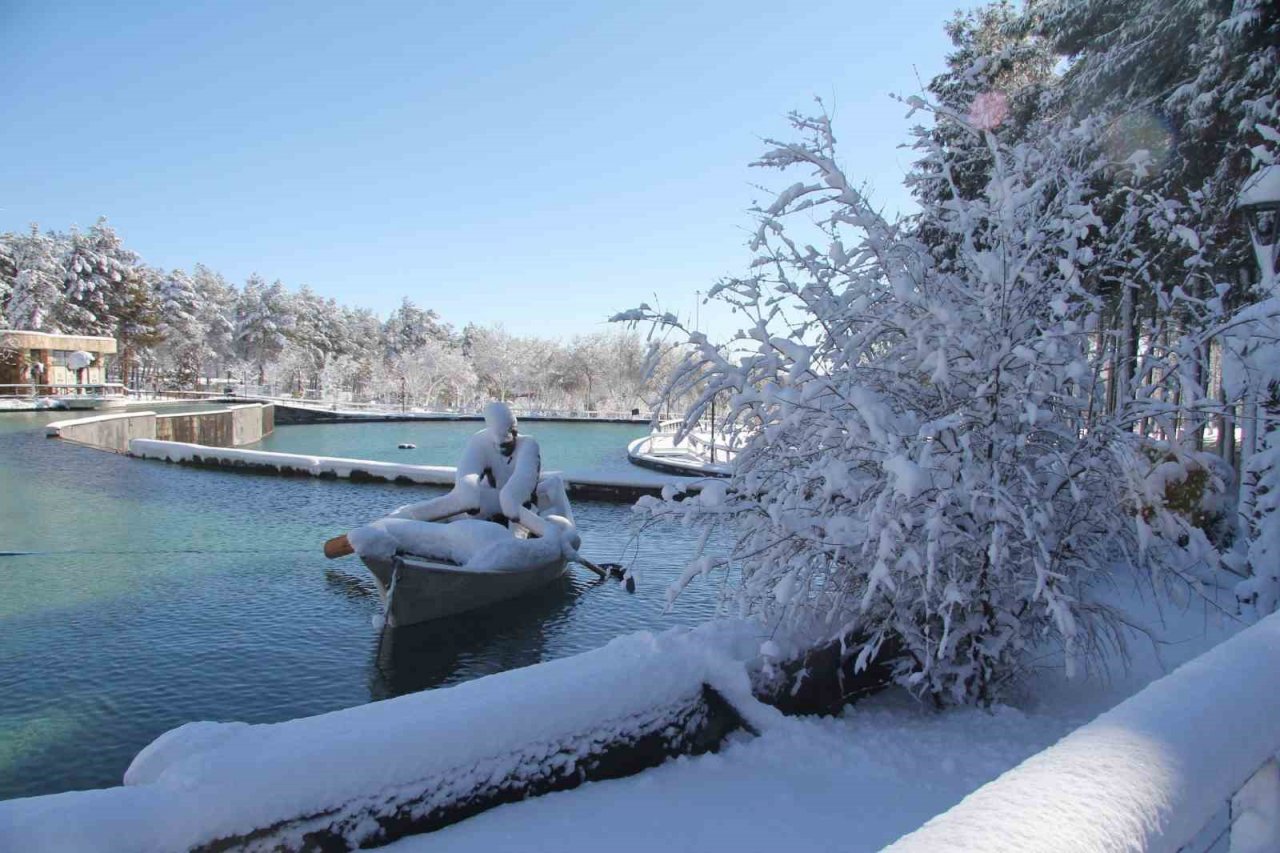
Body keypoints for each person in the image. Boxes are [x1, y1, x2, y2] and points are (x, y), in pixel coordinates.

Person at [390, 402, 542, 526]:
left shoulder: (528, 445)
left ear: (515, 430)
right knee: (469, 506)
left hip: (523, 509)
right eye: (500, 441)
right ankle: (402, 520)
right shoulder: (481, 441)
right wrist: (468, 493)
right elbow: (467, 476)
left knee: (504, 508)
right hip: (490, 506)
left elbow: (522, 483)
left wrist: (511, 501)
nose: (506, 443)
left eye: (510, 435)